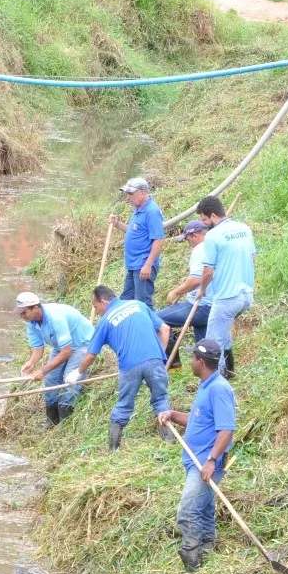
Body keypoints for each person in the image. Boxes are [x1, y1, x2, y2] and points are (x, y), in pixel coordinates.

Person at [156, 339, 236, 572]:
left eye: (192, 358)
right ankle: (207, 546)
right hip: (196, 459)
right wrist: (172, 414)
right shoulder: (207, 385)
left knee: (188, 510)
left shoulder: (219, 389)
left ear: (200, 362)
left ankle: (192, 561)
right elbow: (198, 420)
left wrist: (211, 461)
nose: (190, 361)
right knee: (203, 505)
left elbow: (226, 429)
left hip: (205, 461)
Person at [71, 285, 172, 450]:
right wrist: (159, 357)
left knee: (124, 405)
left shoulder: (104, 322)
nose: (97, 312)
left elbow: (90, 355)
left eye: (96, 307)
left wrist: (77, 373)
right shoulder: (139, 304)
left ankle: (113, 450)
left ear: (103, 301)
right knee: (161, 401)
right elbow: (165, 329)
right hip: (155, 361)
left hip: (130, 367)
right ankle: (168, 444)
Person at [197, 196, 256, 379]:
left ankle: (218, 379)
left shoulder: (213, 236)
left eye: (205, 220)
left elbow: (208, 271)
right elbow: (253, 259)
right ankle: (230, 370)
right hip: (246, 295)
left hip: (227, 298)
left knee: (213, 342)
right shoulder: (244, 229)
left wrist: (201, 290)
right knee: (223, 330)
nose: (205, 225)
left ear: (213, 215)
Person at [15, 291, 93, 428]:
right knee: (51, 381)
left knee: (69, 380)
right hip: (60, 345)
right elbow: (38, 347)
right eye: (20, 313)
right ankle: (51, 422)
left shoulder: (55, 318)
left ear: (36, 308)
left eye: (24, 312)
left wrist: (43, 371)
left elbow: (66, 352)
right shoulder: (31, 322)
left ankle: (65, 423)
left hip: (81, 344)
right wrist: (31, 363)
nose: (22, 316)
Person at [157, 219, 212, 368]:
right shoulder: (213, 245)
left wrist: (176, 291)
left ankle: (173, 365)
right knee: (201, 327)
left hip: (201, 304)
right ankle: (204, 358)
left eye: (187, 239)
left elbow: (195, 280)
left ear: (194, 235)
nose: (188, 243)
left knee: (158, 320)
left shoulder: (199, 250)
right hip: (214, 302)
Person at [108, 177, 165, 307]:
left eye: (130, 193)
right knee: (126, 301)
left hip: (143, 265)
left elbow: (159, 239)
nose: (127, 197)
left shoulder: (151, 211)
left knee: (142, 304)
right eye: (127, 193)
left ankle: (151, 327)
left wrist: (148, 264)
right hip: (133, 265)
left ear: (143, 192)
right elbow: (135, 231)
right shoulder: (138, 208)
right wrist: (118, 224)